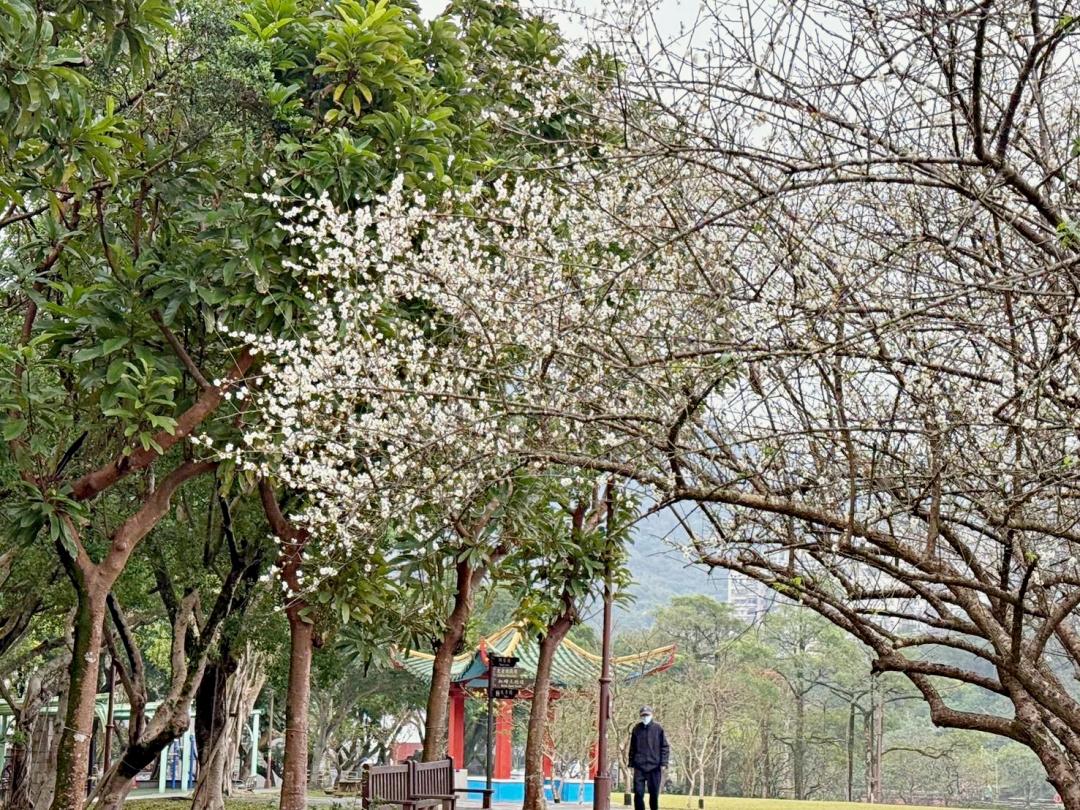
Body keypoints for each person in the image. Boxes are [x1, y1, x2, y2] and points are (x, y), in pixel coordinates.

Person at [628, 706, 669, 810]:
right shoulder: (636, 729)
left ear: (651, 715)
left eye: (647, 715)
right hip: (639, 767)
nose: (645, 717)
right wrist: (631, 763)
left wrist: (664, 763)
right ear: (640, 716)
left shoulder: (658, 729)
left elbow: (665, 747)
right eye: (643, 715)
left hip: (654, 767)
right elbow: (632, 747)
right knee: (638, 793)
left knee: (654, 795)